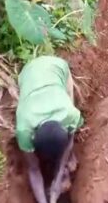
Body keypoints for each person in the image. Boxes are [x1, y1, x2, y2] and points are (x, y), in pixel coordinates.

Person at [16, 56, 83, 203]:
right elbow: (33, 169)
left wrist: (57, 182)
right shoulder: (24, 129)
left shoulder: (70, 114)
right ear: (33, 139)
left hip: (57, 67)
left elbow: (69, 142)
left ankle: (66, 163)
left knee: (66, 157)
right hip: (28, 72)